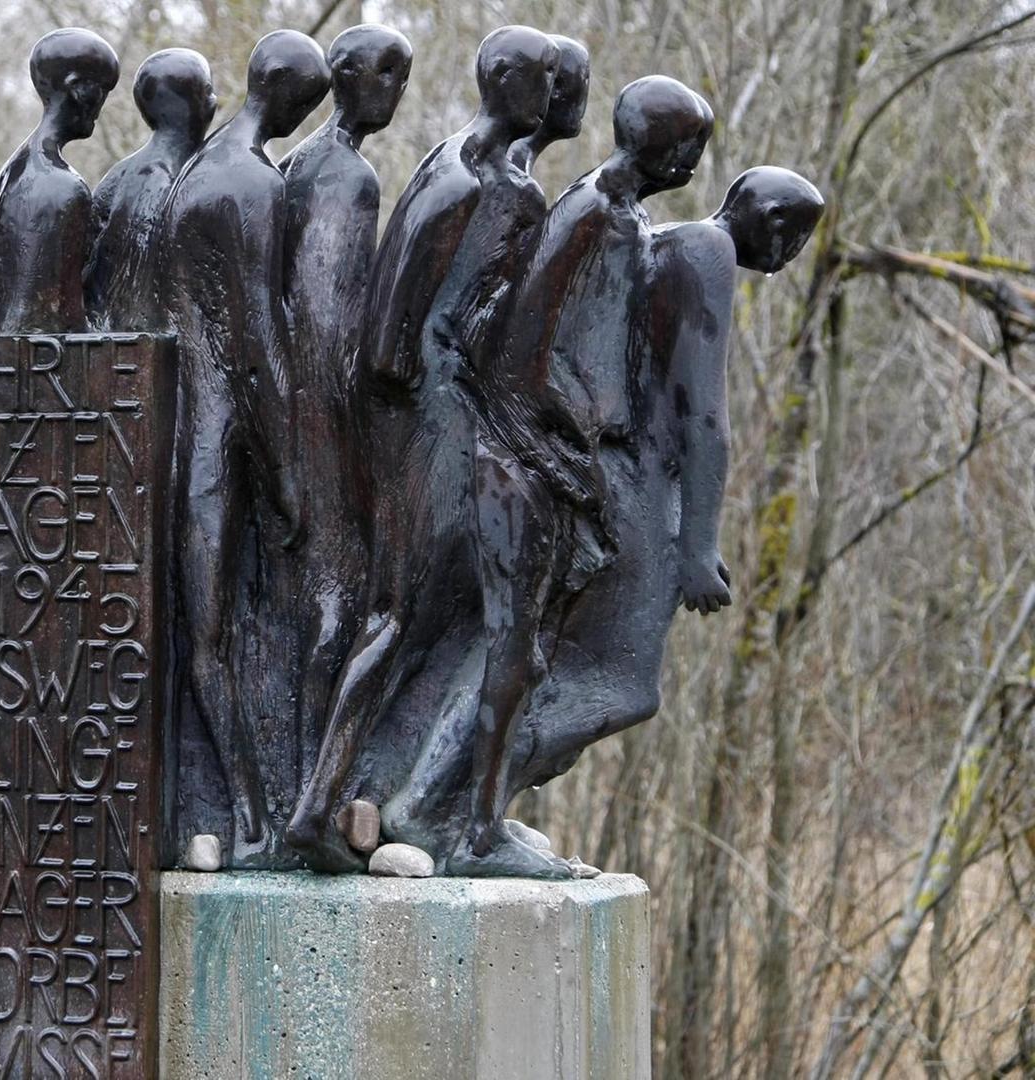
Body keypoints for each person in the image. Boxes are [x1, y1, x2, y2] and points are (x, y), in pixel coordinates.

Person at [381, 75, 715, 870]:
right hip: (524, 464)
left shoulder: (622, 216)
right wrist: (572, 437)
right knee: (512, 648)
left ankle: (451, 810)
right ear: (660, 145)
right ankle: (473, 832)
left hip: (554, 460)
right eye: (691, 147)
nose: (696, 165)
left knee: (523, 653)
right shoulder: (591, 214)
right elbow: (522, 349)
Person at [286, 25, 560, 874]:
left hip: (436, 423)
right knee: (417, 618)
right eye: (541, 80)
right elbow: (391, 340)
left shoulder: (463, 166)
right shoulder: (481, 185)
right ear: (505, 81)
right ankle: (360, 808)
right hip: (441, 429)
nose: (551, 97)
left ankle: (348, 801)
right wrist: (454, 419)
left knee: (412, 622)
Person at [503, 167, 824, 800]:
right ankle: (466, 798)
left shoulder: (669, 239)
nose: (795, 254)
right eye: (800, 235)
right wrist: (697, 548)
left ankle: (474, 802)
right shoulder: (709, 251)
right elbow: (702, 414)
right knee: (623, 686)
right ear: (776, 223)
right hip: (639, 485)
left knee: (570, 662)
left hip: (624, 476)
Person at [163, 29, 330, 848]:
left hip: (181, 429)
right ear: (295, 97)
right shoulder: (251, 181)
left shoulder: (199, 168)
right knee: (213, 634)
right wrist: (287, 469)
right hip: (214, 439)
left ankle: (247, 807)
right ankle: (250, 811)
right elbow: (258, 338)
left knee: (209, 633)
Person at [279, 22, 412, 778]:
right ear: (341, 77)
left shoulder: (309, 161)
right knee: (340, 595)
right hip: (325, 412)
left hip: (306, 407)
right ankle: (309, 779)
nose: (393, 91)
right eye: (383, 73)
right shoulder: (342, 175)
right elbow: (326, 315)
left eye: (402, 75)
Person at [0, 28, 119, 334]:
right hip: (30, 365)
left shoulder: (16, 168)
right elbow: (58, 322)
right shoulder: (61, 186)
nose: (103, 103)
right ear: (76, 88)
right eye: (102, 88)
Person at [86, 48, 215, 330]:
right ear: (185, 105)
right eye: (207, 91)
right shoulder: (163, 181)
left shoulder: (119, 173)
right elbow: (134, 298)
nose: (215, 101)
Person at [509, 36, 589, 175]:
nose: (584, 99)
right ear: (553, 87)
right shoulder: (513, 171)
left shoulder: (516, 161)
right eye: (584, 80)